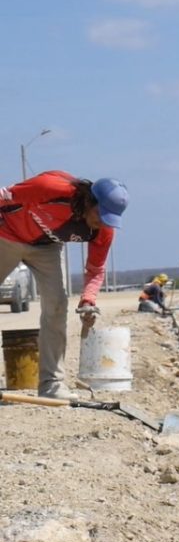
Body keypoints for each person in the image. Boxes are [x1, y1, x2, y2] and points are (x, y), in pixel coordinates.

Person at [0, 170, 128, 399]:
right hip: (6, 235)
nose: (102, 222)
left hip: (45, 248)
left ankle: (51, 385)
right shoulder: (51, 188)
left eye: (109, 218)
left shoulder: (104, 229)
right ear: (90, 200)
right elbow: (5, 196)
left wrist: (88, 300)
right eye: (101, 214)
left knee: (57, 306)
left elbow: (96, 270)